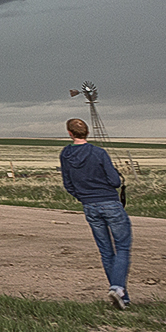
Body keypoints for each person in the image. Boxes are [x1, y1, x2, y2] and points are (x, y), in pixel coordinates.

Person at [59, 117, 132, 309]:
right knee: (122, 247)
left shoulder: (65, 154)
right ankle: (117, 288)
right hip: (110, 202)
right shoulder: (98, 153)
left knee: (106, 251)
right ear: (88, 133)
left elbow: (68, 183)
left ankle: (122, 298)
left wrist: (82, 196)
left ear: (70, 133)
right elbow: (115, 182)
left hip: (89, 206)